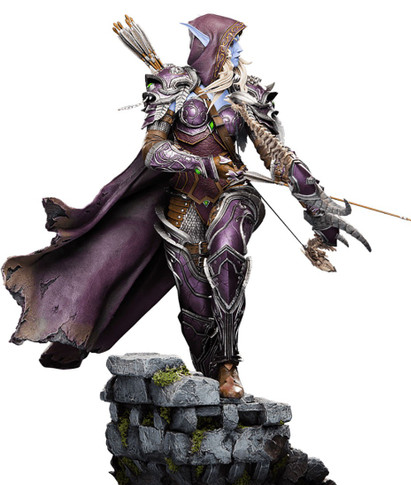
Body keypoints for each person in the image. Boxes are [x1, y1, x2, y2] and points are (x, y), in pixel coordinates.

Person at [2, 14, 369, 398]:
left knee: (227, 253)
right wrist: (201, 163)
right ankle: (209, 372)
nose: (239, 52)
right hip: (183, 202)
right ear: (206, 44)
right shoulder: (172, 85)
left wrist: (316, 206)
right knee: (195, 302)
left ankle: (228, 367)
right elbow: (154, 151)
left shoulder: (247, 93)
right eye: (232, 43)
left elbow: (277, 154)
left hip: (234, 195)